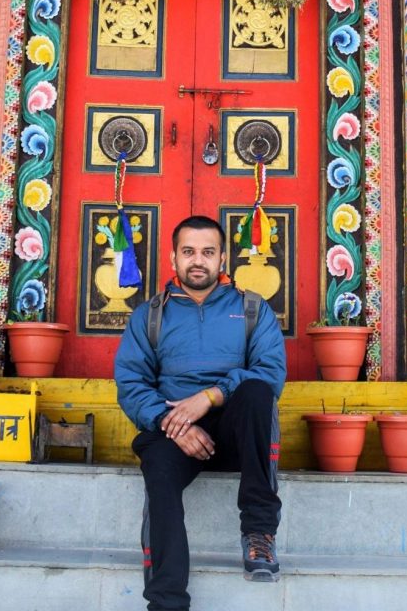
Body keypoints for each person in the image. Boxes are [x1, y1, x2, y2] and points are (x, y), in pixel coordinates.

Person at [114, 214, 287, 611]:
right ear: (173, 257)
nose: (198, 260)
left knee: (258, 393)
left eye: (208, 252)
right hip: (171, 429)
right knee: (157, 468)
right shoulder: (149, 316)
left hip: (234, 431)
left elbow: (271, 372)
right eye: (189, 251)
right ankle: (167, 601)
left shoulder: (251, 309)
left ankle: (259, 533)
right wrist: (171, 423)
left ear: (223, 257)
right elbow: (131, 382)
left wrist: (209, 397)